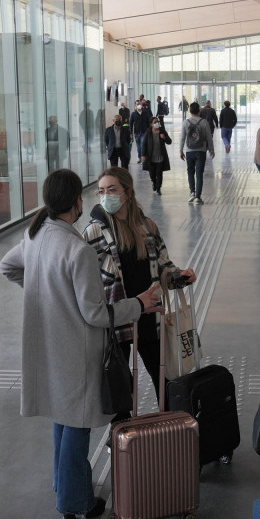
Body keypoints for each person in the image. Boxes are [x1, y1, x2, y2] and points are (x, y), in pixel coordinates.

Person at [0, 170, 162, 519]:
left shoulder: (35, 235)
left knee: (62, 415)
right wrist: (140, 303)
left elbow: (7, 267)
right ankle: (76, 500)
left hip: (47, 344)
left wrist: (44, 293)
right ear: (76, 202)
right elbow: (96, 314)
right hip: (76, 349)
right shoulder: (77, 249)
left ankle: (63, 485)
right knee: (77, 423)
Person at [84, 167, 195, 399]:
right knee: (120, 389)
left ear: (128, 192)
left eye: (112, 190)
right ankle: (125, 432)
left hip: (150, 316)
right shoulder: (94, 231)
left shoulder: (147, 226)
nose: (106, 196)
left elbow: (164, 264)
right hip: (117, 320)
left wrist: (180, 276)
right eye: (102, 191)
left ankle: (168, 429)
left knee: (165, 382)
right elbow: (85, 277)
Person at [181, 101, 215, 205]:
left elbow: (182, 138)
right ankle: (198, 197)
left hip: (189, 151)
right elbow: (209, 137)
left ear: (190, 111)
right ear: (199, 111)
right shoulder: (204, 122)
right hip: (201, 151)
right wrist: (211, 150)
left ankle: (192, 192)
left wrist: (180, 150)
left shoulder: (186, 122)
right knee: (199, 174)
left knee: (190, 172)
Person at [140, 116, 172, 194]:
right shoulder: (148, 132)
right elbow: (144, 144)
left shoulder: (162, 131)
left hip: (160, 156)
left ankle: (158, 188)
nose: (157, 123)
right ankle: (154, 183)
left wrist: (164, 138)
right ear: (151, 124)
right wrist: (143, 154)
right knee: (152, 173)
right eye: (155, 122)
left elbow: (169, 141)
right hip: (150, 157)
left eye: (157, 122)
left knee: (159, 173)